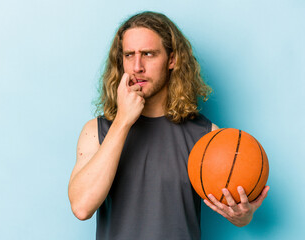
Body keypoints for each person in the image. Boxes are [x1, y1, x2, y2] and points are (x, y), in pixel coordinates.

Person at [68, 11, 270, 240]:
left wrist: (242, 216)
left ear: (172, 60)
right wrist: (123, 121)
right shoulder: (96, 131)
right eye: (128, 55)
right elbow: (82, 207)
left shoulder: (207, 137)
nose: (137, 66)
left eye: (148, 54)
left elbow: (237, 210)